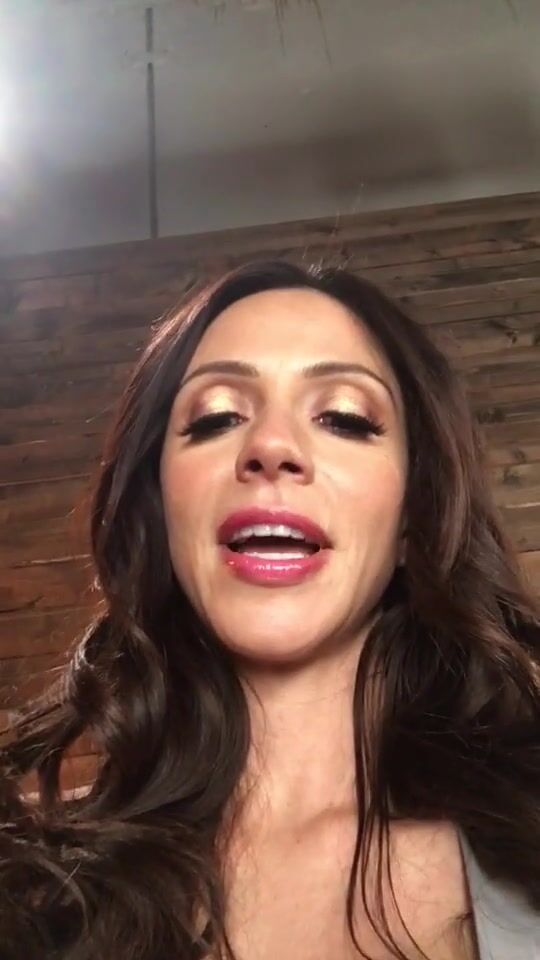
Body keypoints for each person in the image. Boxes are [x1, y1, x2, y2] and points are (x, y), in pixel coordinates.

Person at [0, 260, 538, 960]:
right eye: (216, 417)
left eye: (344, 418)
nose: (271, 447)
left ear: (413, 517)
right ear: (161, 511)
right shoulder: (34, 890)